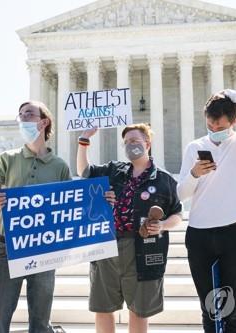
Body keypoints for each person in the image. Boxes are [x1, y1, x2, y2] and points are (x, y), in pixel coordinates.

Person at [77, 123, 182, 333]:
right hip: (107, 247)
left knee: (139, 310)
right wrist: (84, 141)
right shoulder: (114, 171)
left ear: (147, 143)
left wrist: (162, 225)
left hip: (142, 249)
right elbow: (85, 172)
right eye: (126, 142)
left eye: (134, 141)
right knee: (103, 307)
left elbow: (177, 214)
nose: (130, 145)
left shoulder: (164, 180)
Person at [177, 89, 236, 333]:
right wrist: (195, 174)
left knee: (234, 307)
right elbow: (181, 194)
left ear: (234, 122)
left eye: (220, 127)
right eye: (210, 126)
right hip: (199, 234)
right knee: (209, 307)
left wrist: (231, 94)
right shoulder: (195, 147)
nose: (214, 132)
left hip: (235, 233)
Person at [0, 101, 71, 333]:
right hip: (8, 246)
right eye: (20, 115)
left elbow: (68, 206)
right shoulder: (7, 159)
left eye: (29, 114)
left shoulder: (60, 166)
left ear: (43, 122)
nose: (23, 118)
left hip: (44, 247)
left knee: (41, 319)